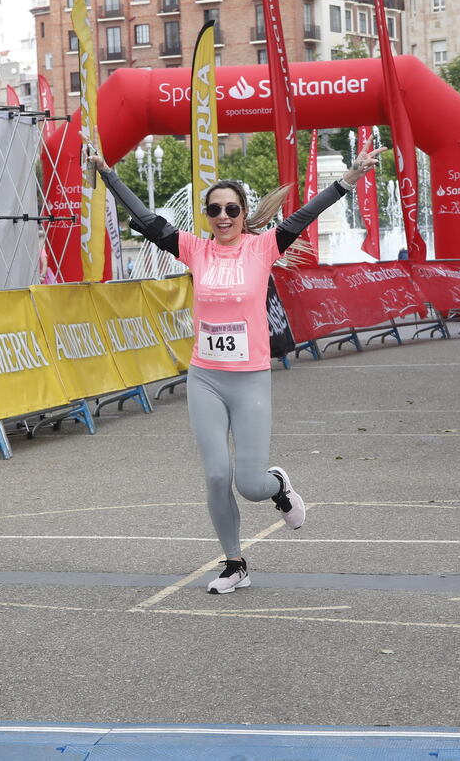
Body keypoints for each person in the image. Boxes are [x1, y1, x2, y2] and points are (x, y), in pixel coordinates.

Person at [89, 145, 387, 595]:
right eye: (214, 210)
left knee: (249, 484)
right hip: (205, 377)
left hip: (250, 379)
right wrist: (109, 175)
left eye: (230, 209)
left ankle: (278, 486)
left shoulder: (263, 246)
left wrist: (350, 178)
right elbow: (149, 221)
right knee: (215, 476)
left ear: (244, 212)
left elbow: (304, 215)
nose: (222, 216)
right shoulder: (194, 249)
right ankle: (235, 564)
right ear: (207, 216)